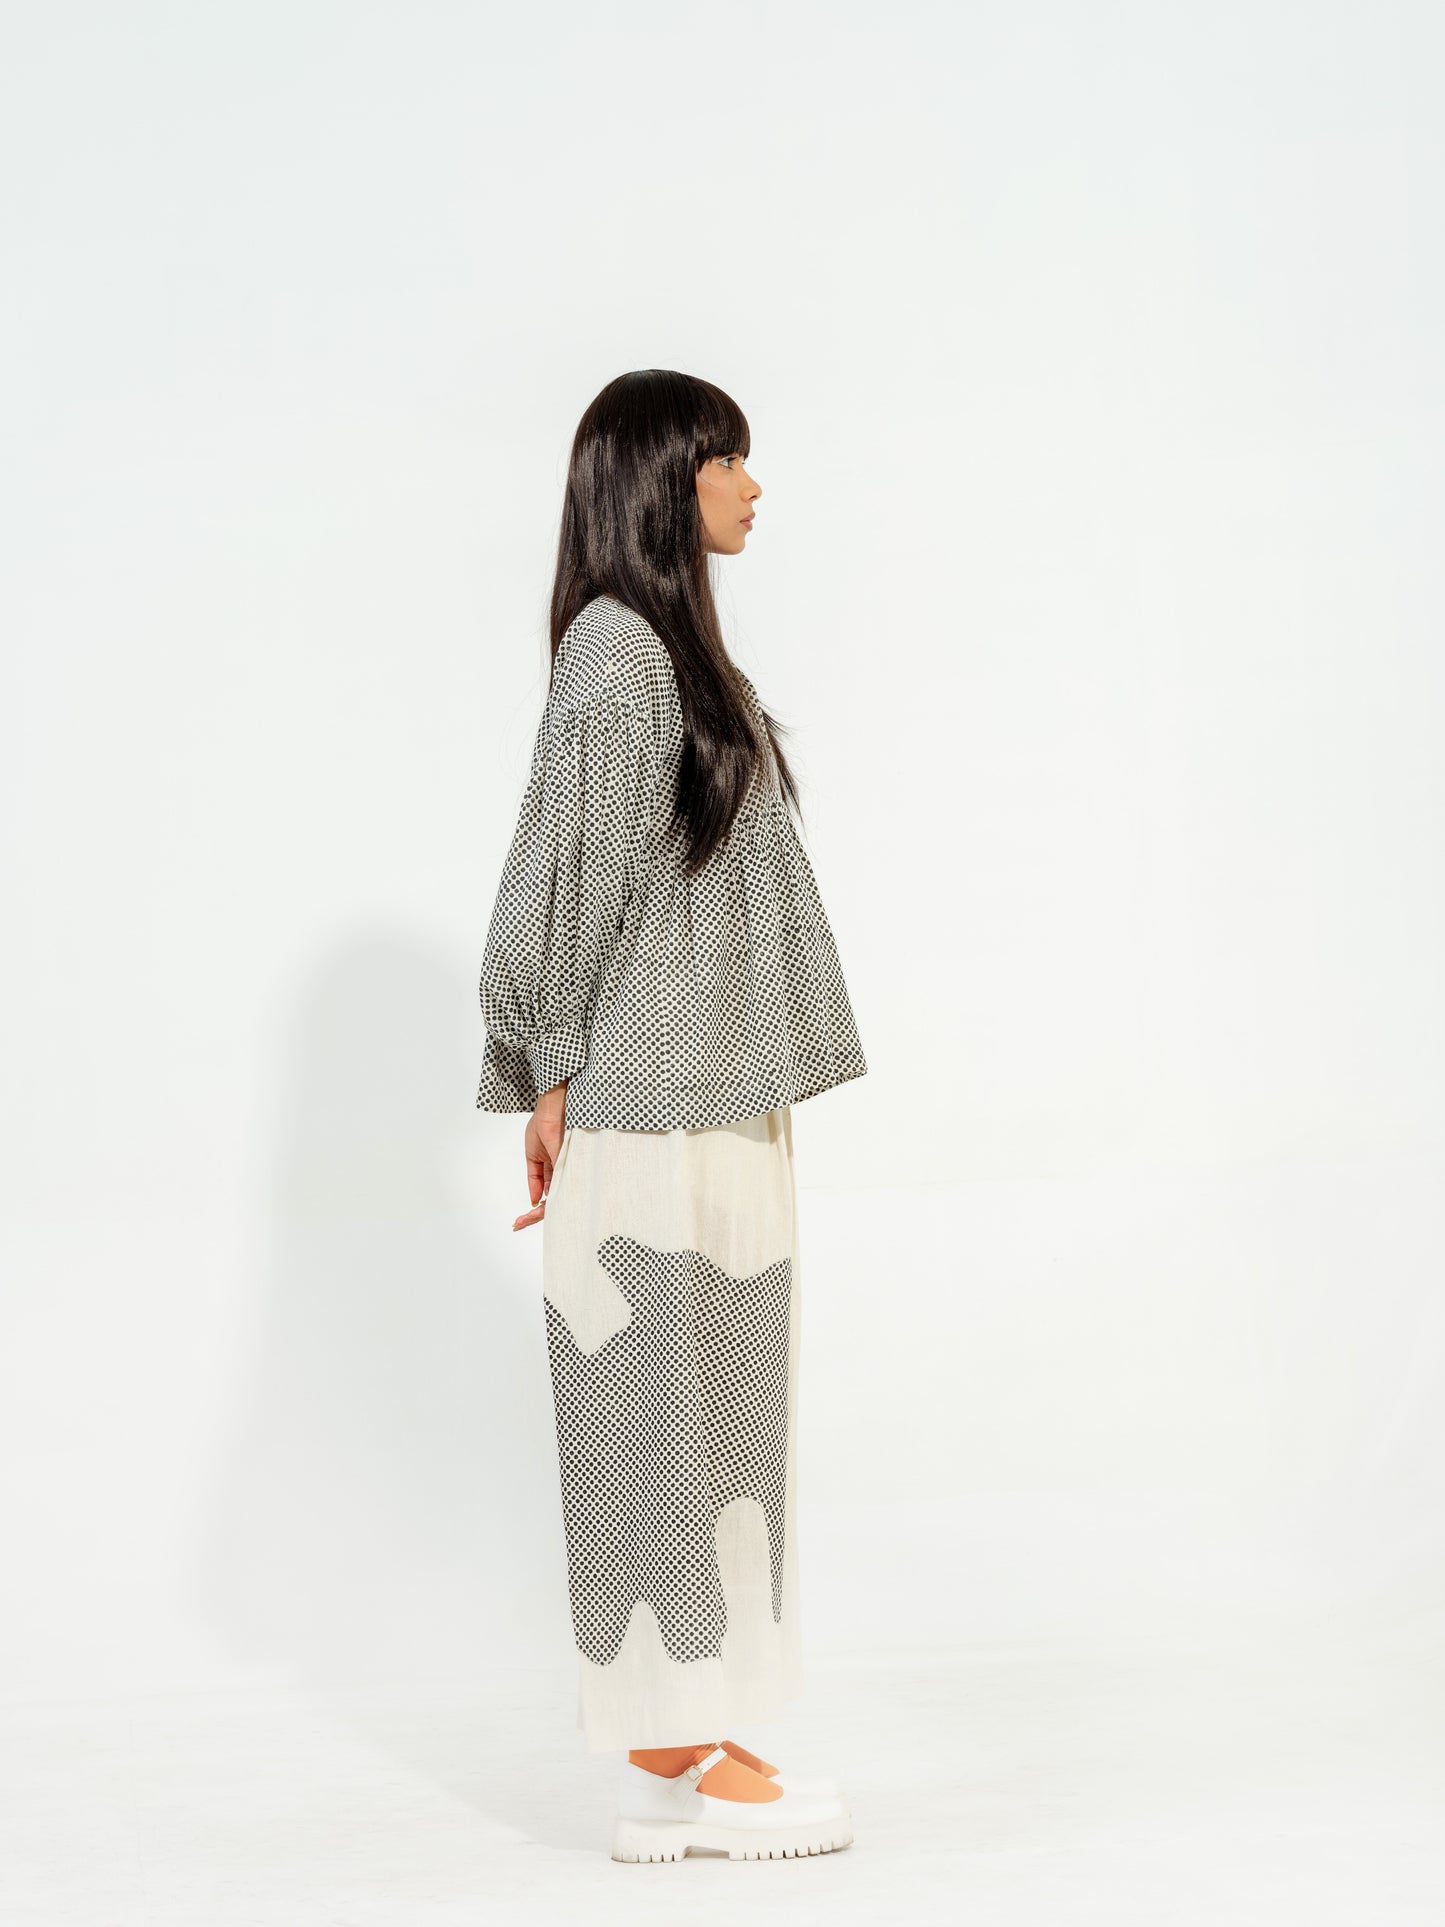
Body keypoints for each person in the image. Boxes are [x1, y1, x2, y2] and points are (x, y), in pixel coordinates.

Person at [475, 368, 867, 1863]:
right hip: (648, 1110)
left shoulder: (668, 653)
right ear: (659, 480)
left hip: (710, 1096)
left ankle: (684, 1748)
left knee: (721, 1424)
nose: (752, 488)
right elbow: (556, 876)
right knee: (658, 1427)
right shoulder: (615, 653)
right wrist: (550, 1072)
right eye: (726, 462)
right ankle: (683, 1757)